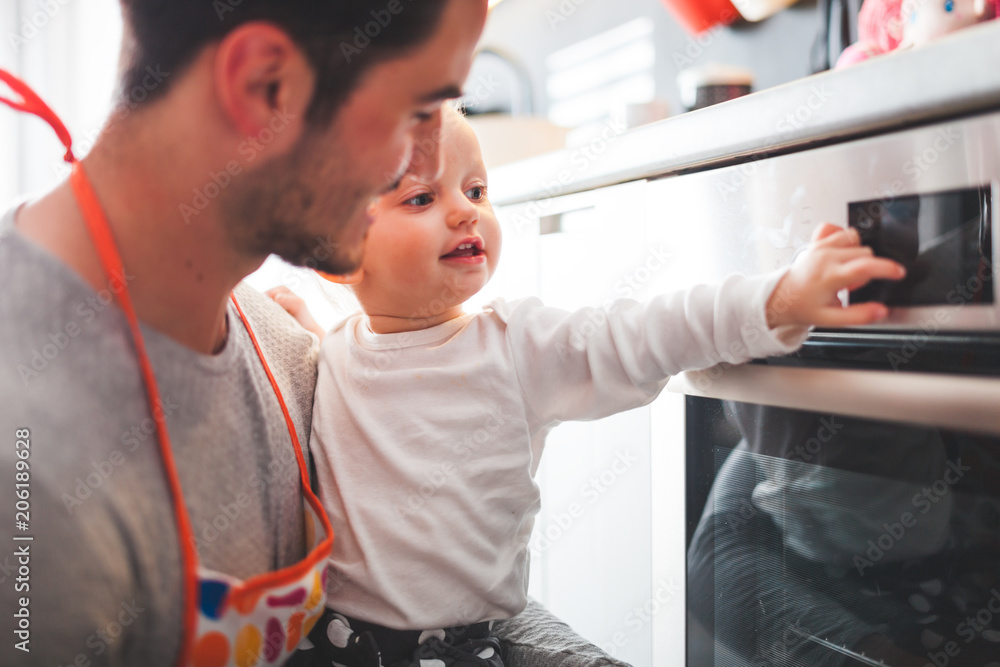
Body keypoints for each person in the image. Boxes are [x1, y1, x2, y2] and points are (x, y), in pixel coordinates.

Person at [0, 2, 628, 666]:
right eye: (417, 109)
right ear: (263, 87)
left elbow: (443, 616)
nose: (428, 162)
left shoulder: (290, 348)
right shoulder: (35, 480)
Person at [268, 106, 907, 667]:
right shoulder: (340, 348)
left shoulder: (516, 344)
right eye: (419, 199)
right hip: (331, 641)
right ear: (338, 254)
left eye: (477, 188)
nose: (466, 210)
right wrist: (306, 329)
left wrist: (778, 299)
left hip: (454, 650)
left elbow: (644, 333)